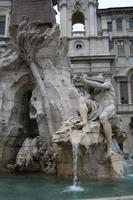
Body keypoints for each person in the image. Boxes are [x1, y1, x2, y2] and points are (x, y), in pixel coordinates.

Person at [76, 75, 116, 158]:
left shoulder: (107, 84)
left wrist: (85, 81)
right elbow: (86, 97)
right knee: (82, 99)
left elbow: (99, 85)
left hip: (109, 107)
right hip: (98, 108)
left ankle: (110, 147)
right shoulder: (93, 93)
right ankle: (84, 121)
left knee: (103, 117)